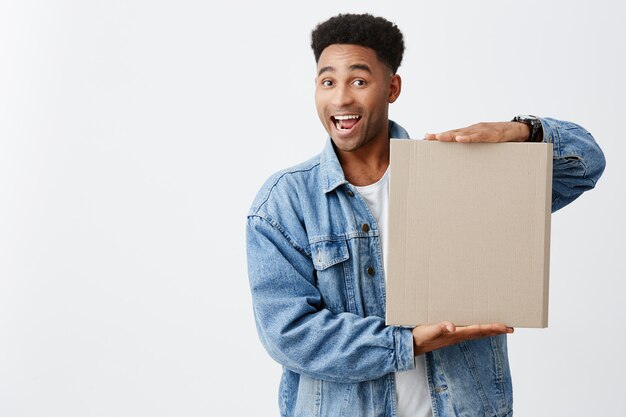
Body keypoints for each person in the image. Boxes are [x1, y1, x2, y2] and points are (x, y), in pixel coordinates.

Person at [246, 13, 605, 417]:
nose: (341, 98)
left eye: (359, 81)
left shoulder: (460, 178)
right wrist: (407, 343)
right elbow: (288, 334)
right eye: (327, 81)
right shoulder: (284, 203)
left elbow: (587, 164)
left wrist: (521, 132)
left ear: (392, 87)